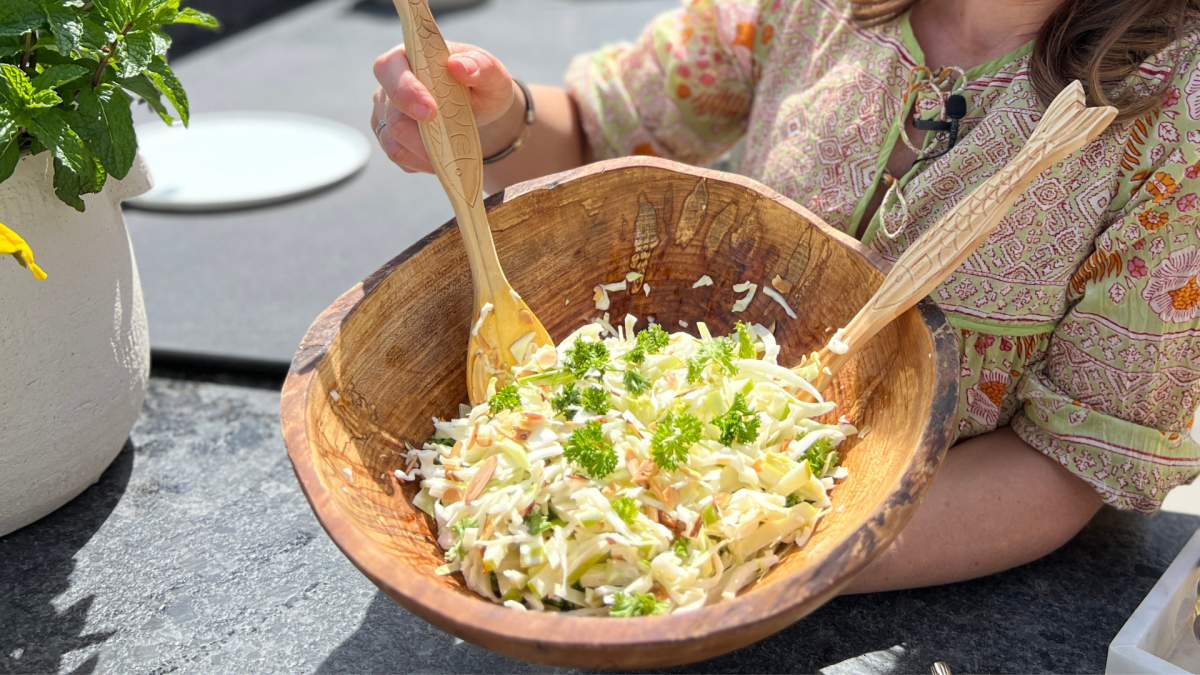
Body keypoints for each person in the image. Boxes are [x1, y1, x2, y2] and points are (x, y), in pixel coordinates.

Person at [370, 0, 1200, 592]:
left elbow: (1071, 460)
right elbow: (598, 127)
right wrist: (490, 122)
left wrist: (741, 558)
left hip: (919, 575)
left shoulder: (1177, 114)